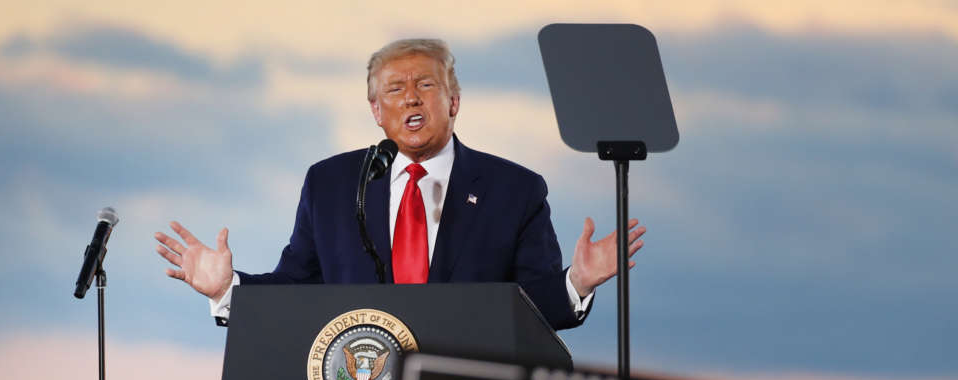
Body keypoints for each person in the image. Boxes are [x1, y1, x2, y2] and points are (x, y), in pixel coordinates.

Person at [155, 38, 644, 331]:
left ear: (453, 101)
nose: (411, 98)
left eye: (426, 85)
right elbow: (297, 288)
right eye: (395, 89)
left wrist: (575, 283)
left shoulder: (515, 189)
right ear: (375, 111)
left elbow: (532, 307)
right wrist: (229, 291)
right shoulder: (331, 183)